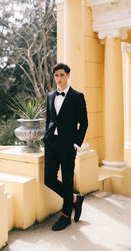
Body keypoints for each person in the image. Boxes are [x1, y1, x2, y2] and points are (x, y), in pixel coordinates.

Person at [43, 63, 88, 231]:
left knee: (68, 179)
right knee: (49, 179)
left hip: (68, 145)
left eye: (62, 75)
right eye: (56, 75)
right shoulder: (50, 96)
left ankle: (65, 215)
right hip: (51, 144)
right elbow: (49, 120)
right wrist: (46, 138)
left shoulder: (77, 97)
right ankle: (75, 199)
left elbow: (83, 123)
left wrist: (76, 144)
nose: (58, 78)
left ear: (68, 75)